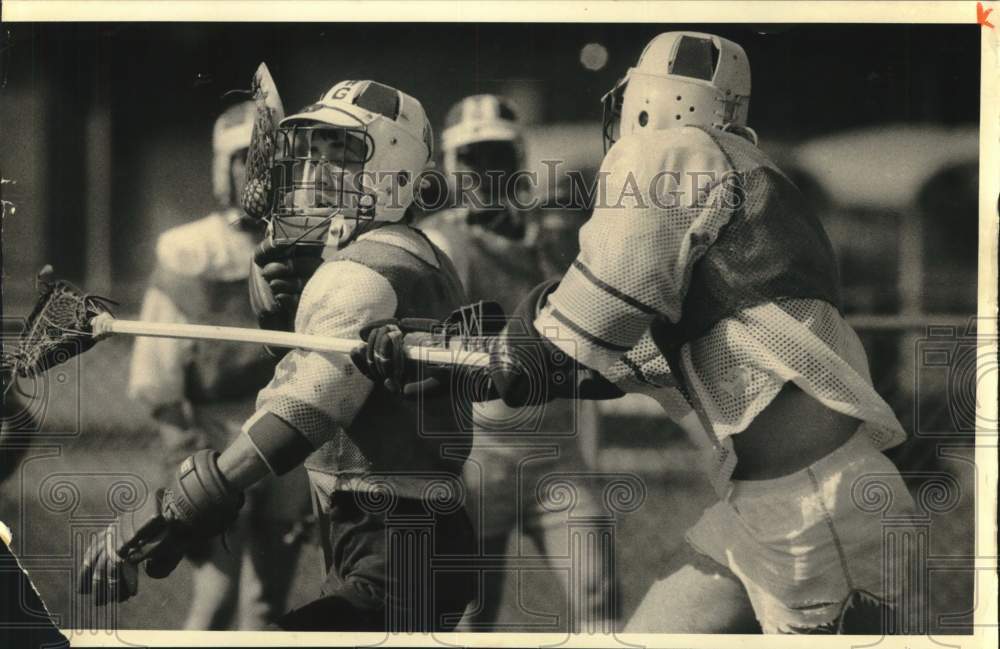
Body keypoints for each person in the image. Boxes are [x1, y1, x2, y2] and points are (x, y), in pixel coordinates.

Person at [353, 32, 919, 634]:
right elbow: (600, 364)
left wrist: (434, 355)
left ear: (655, 101)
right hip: (783, 505)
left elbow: (559, 349)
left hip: (810, 513)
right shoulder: (747, 169)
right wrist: (461, 354)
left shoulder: (673, 153)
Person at [83, 80, 476, 632]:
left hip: (391, 544)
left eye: (341, 153)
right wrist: (285, 328)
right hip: (414, 534)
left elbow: (307, 409)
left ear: (398, 168)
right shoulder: (423, 252)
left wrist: (182, 503)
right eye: (312, 152)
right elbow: (360, 385)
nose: (315, 171)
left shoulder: (360, 274)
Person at [418, 94, 618, 631]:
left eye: (497, 156)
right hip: (477, 457)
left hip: (556, 452)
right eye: (472, 157)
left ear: (518, 160)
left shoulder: (553, 237)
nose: (486, 171)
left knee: (600, 597)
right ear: (450, 166)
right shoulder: (442, 241)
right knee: (470, 620)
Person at [125, 100, 310, 629]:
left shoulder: (303, 246)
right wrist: (183, 447)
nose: (256, 173)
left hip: (286, 431)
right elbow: (156, 372)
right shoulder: (191, 249)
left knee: (268, 604)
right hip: (213, 435)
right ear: (221, 166)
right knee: (218, 594)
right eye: (243, 159)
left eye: (268, 161)